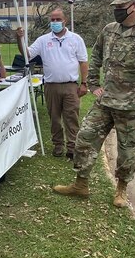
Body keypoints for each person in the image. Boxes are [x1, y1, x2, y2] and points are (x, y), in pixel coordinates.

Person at [54, 0, 135, 207]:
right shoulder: (109, 30)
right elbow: (96, 55)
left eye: (121, 6)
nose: (117, 10)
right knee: (85, 138)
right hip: (105, 101)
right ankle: (81, 184)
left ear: (134, 6)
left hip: (132, 106)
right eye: (116, 6)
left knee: (128, 150)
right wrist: (93, 84)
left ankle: (121, 190)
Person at [16, 9, 88, 158]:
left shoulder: (75, 39)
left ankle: (72, 146)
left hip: (70, 85)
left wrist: (84, 83)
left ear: (64, 20)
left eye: (58, 19)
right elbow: (27, 54)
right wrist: (20, 40)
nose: (55, 22)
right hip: (51, 85)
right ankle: (58, 145)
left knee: (71, 117)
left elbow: (83, 62)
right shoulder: (43, 40)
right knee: (54, 117)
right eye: (52, 19)